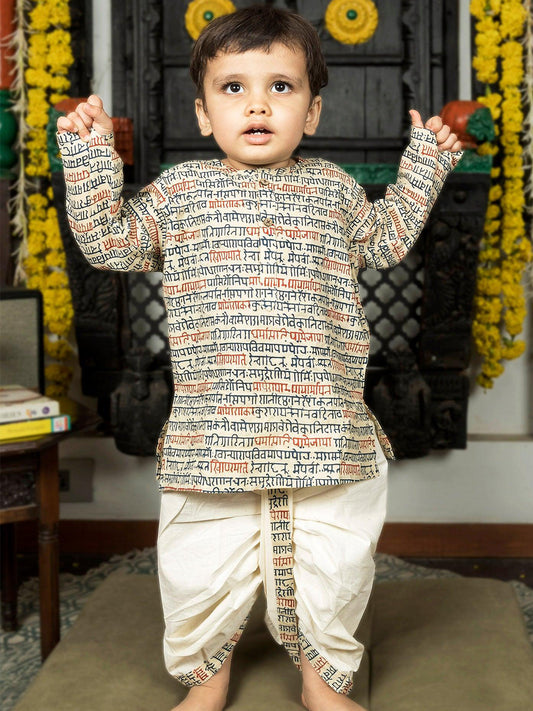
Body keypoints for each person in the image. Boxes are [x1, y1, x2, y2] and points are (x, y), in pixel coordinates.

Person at [56, 6, 462, 710]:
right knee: (198, 561)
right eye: (233, 87)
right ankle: (205, 677)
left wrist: (425, 163)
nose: (257, 105)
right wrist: (91, 159)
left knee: (334, 557)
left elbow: (388, 238)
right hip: (215, 426)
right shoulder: (180, 192)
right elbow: (109, 243)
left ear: (311, 111)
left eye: (280, 86)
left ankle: (322, 679)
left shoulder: (333, 189)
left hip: (322, 422)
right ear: (203, 113)